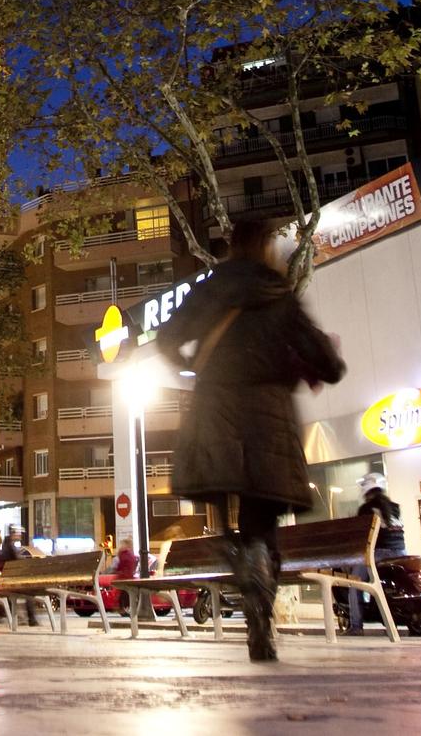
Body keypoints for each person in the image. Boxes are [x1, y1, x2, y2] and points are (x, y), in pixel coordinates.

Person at [155, 213, 346, 662]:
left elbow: (166, 340)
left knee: (217, 494)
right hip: (269, 417)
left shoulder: (210, 288)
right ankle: (260, 591)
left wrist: (196, 366)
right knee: (262, 518)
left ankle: (234, 551)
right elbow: (329, 366)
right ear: (265, 248)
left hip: (215, 408)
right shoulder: (280, 294)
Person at [342, 472, 404, 634]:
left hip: (379, 554)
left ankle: (356, 625)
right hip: (401, 553)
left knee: (355, 583)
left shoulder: (366, 509)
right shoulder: (395, 507)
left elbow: (362, 537)